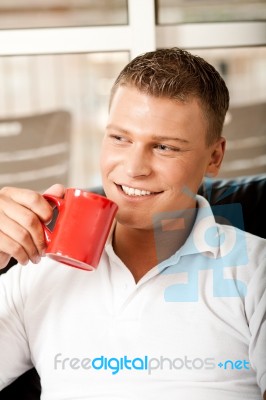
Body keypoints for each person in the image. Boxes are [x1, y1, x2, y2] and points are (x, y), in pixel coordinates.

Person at [0, 47, 265, 400]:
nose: (134, 167)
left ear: (214, 157)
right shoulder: (37, 270)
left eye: (165, 147)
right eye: (120, 138)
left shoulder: (255, 270)